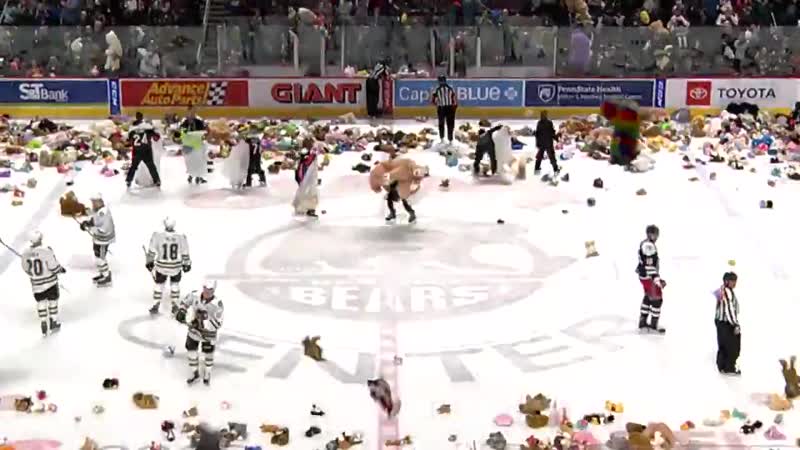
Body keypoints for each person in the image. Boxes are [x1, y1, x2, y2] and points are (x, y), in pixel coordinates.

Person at [173, 281, 224, 386]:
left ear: (213, 290)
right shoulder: (194, 295)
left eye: (210, 290)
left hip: (208, 335)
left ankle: (207, 374)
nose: (207, 291)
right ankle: (195, 373)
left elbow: (218, 324)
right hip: (194, 331)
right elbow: (184, 302)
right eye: (205, 288)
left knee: (208, 353)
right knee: (191, 350)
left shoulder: (217, 304)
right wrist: (182, 310)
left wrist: (203, 322)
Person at [21, 231, 65, 336]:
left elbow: (25, 267)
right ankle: (53, 322)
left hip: (36, 285)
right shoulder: (46, 251)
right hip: (50, 283)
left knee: (41, 302)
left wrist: (32, 273)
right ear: (40, 239)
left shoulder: (26, 253)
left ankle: (43, 322)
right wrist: (60, 270)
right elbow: (53, 266)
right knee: (53, 301)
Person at [146, 217, 192, 315]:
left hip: (161, 266)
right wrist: (187, 263)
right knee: (175, 285)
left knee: (159, 285)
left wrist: (149, 262)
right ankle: (175, 305)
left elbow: (151, 251)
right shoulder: (181, 236)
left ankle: (156, 304)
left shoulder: (157, 235)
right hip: (175, 266)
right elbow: (185, 252)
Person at [79, 193, 115, 287]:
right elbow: (96, 221)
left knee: (101, 259)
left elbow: (104, 229)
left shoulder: (103, 212)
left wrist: (89, 228)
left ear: (99, 202)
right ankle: (103, 274)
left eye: (94, 202)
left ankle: (107, 277)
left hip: (103, 239)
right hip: (98, 239)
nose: (93, 204)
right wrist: (88, 223)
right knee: (98, 257)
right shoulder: (98, 211)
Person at [637, 224, 666, 333]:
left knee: (649, 297)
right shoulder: (649, 245)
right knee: (657, 299)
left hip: (645, 276)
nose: (655, 236)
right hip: (649, 277)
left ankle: (643, 321)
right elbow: (649, 265)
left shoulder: (646, 243)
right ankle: (653, 325)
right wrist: (656, 279)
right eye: (653, 234)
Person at [125, 112, 161, 189]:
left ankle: (128, 181)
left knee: (133, 167)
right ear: (142, 118)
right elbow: (156, 138)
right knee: (151, 166)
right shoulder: (147, 128)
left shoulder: (132, 129)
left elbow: (128, 141)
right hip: (146, 150)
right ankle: (157, 181)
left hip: (136, 151)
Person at [715, 271, 741, 375]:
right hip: (726, 323)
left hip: (721, 322)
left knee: (723, 344)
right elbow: (728, 309)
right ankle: (729, 368)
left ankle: (722, 366)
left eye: (735, 281)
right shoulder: (726, 292)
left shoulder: (721, 290)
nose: (735, 283)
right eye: (732, 281)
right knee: (732, 346)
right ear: (726, 281)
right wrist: (735, 324)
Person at [180, 105, 209, 184]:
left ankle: (198, 176)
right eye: (190, 111)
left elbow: (203, 131)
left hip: (197, 144)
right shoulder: (184, 122)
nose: (191, 113)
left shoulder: (199, 121)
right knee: (189, 161)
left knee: (199, 160)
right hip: (188, 145)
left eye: (193, 111)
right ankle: (191, 175)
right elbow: (181, 132)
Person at [293, 147, 320, 217]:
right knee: (307, 194)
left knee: (310, 194)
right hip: (305, 182)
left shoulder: (308, 160)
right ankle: (305, 209)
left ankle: (310, 209)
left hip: (309, 182)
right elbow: (298, 175)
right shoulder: (302, 163)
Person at [432, 76, 458, 145]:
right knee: (450, 124)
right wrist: (454, 107)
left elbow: (433, 101)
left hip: (441, 108)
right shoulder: (450, 88)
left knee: (441, 124)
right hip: (450, 108)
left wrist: (437, 105)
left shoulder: (437, 89)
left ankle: (442, 139)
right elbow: (454, 100)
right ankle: (450, 140)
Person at [534, 110, 559, 174]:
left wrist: (537, 143)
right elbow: (552, 132)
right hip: (548, 143)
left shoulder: (539, 123)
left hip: (542, 143)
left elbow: (537, 134)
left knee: (539, 156)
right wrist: (556, 138)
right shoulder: (549, 122)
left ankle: (536, 169)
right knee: (551, 157)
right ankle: (555, 169)